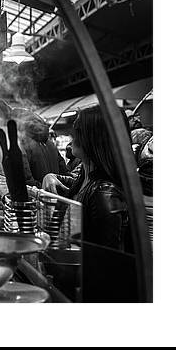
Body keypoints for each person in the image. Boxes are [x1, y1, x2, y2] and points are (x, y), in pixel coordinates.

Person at [41, 105, 138, 302]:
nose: (71, 134)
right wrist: (50, 176)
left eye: (77, 129)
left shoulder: (105, 193)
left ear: (95, 137)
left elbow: (110, 268)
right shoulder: (84, 177)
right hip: (70, 284)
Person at [14, 109, 70, 187]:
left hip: (39, 196)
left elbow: (26, 179)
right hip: (57, 195)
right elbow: (64, 172)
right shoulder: (51, 144)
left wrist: (43, 190)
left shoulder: (22, 144)